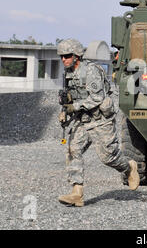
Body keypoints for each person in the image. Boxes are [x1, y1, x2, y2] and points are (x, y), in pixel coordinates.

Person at [57, 39, 140, 207]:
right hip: (83, 120)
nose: (63, 60)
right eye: (61, 57)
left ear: (76, 56)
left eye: (67, 56)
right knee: (73, 150)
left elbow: (97, 98)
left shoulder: (91, 71)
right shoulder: (68, 74)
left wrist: (75, 107)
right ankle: (77, 193)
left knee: (108, 157)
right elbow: (70, 97)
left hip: (101, 120)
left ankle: (129, 168)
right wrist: (64, 111)